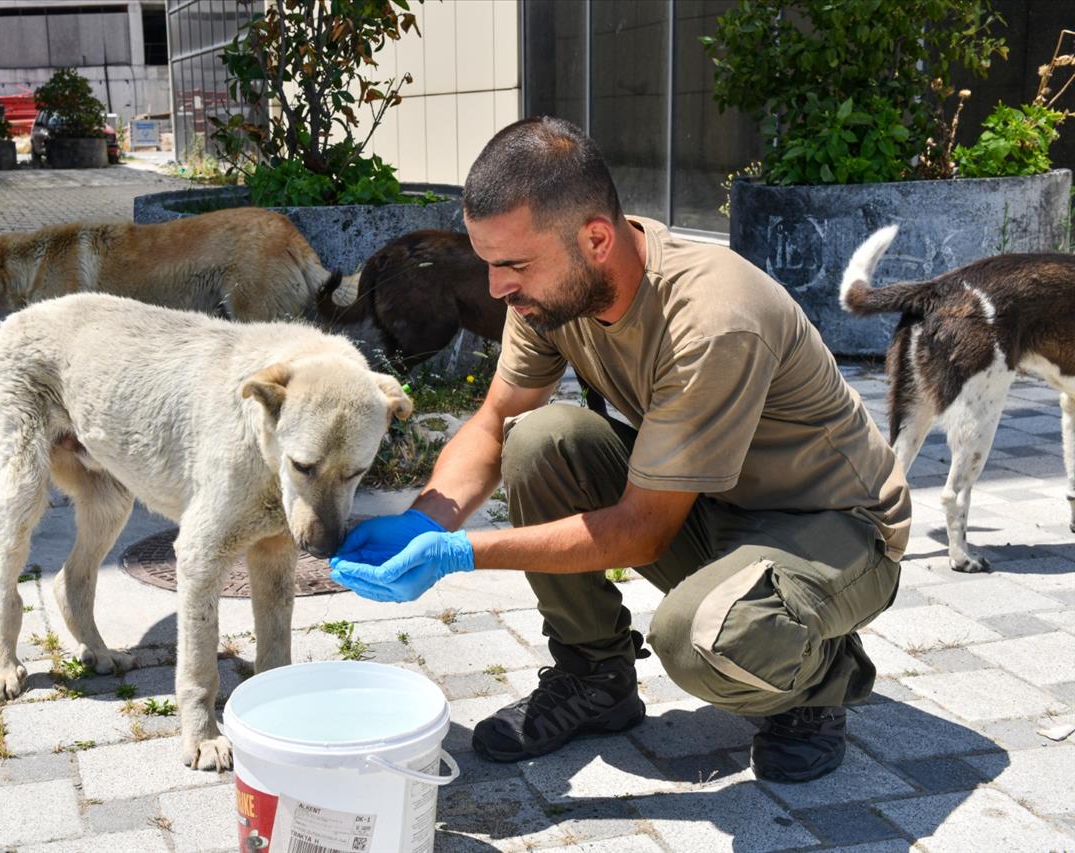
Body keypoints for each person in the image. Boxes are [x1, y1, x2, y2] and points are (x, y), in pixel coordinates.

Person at [330, 116, 910, 783]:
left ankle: (820, 677)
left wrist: (459, 552)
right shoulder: (552, 297)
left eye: (514, 265)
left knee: (698, 636)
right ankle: (593, 677)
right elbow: (493, 422)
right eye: (489, 264)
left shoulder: (711, 319)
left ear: (596, 239)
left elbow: (641, 530)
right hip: (713, 503)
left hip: (834, 528)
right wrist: (423, 520)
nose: (497, 290)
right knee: (541, 442)